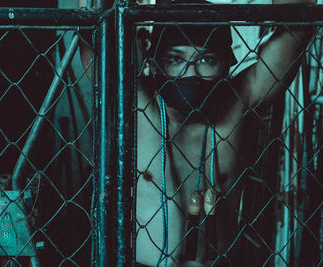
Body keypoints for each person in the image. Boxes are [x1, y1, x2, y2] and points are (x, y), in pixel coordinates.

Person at [78, 0, 316, 266]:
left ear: (226, 64)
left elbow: (298, 29)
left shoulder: (238, 102)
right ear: (155, 63)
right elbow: (94, 39)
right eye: (175, 59)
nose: (190, 73)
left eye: (206, 59)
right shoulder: (133, 101)